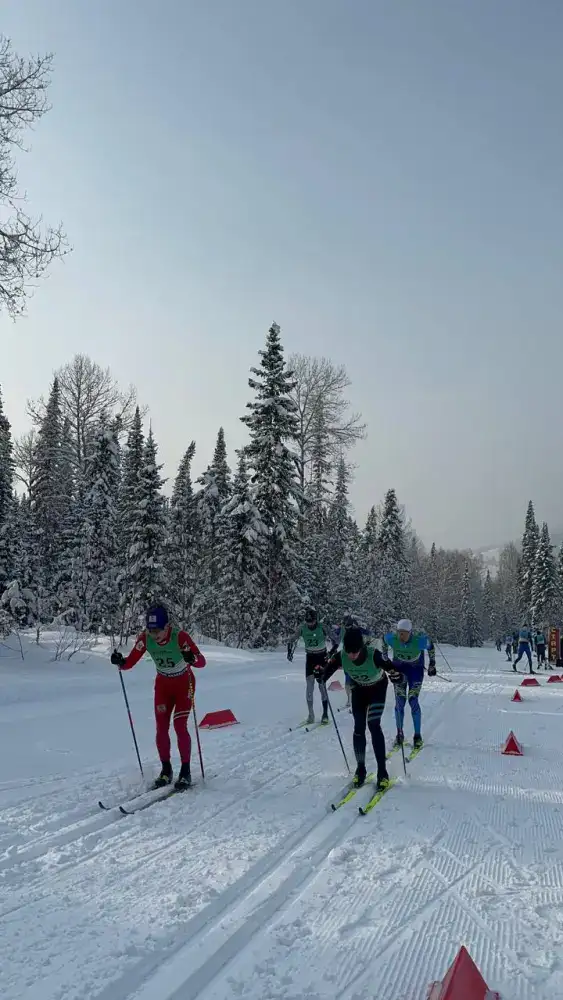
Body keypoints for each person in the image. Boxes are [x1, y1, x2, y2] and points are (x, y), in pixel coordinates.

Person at [111, 604, 205, 790]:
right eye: (150, 630)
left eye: (158, 631)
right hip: (163, 686)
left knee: (179, 725)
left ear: (167, 626)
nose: (154, 635)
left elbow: (202, 661)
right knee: (161, 728)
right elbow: (129, 662)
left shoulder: (180, 637)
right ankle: (166, 770)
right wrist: (120, 662)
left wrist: (191, 659)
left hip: (184, 684)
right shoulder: (145, 639)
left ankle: (185, 771)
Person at [318, 626, 395, 790]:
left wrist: (398, 676)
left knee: (373, 724)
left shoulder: (373, 654)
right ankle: (361, 769)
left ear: (361, 647)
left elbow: (392, 669)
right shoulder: (342, 655)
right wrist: (321, 675)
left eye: (355, 651)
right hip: (359, 690)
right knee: (359, 727)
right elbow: (326, 672)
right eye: (349, 651)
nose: (352, 655)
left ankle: (382, 772)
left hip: (377, 689)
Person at [383, 618, 436, 749]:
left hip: (415, 671)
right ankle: (399, 734)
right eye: (399, 633)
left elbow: (431, 646)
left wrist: (432, 664)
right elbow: (383, 640)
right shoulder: (392, 638)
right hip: (399, 670)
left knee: (413, 700)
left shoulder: (419, 641)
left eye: (404, 633)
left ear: (410, 632)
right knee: (399, 702)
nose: (401, 636)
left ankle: (417, 736)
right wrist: (385, 658)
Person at [287, 606, 331, 724]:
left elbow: (336, 640)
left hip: (322, 657)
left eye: (311, 622)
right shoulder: (302, 628)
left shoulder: (322, 627)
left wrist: (331, 653)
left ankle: (325, 714)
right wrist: (289, 651)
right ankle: (311, 715)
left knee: (322, 685)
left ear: (316, 620)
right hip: (310, 658)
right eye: (308, 622)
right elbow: (291, 639)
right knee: (309, 687)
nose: (310, 624)